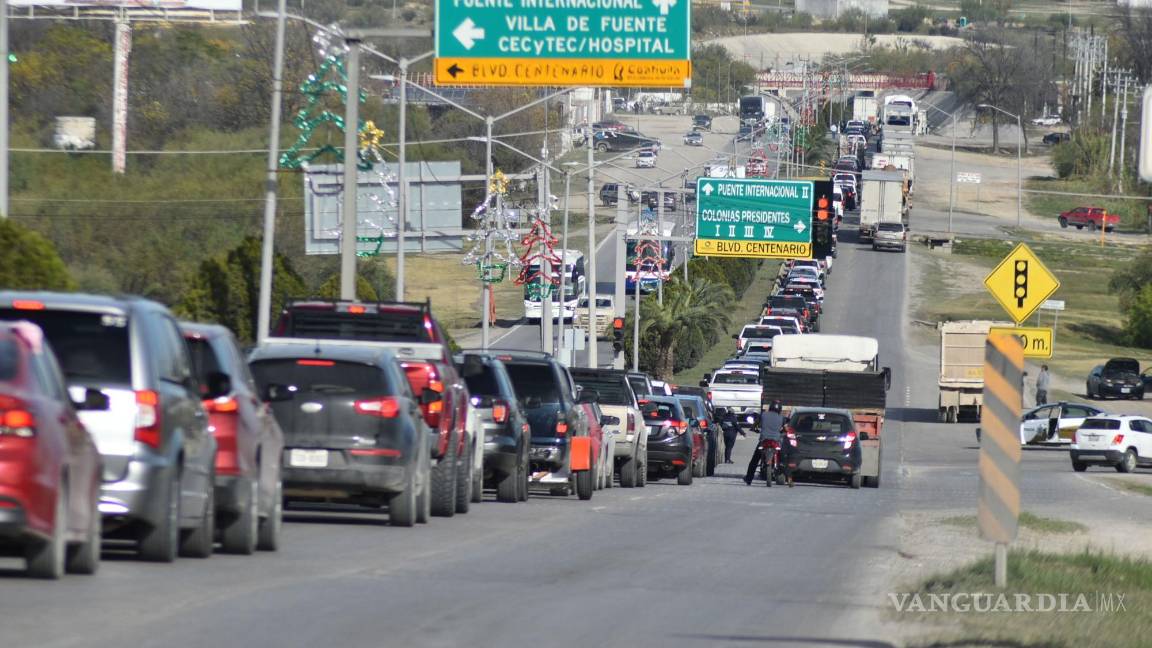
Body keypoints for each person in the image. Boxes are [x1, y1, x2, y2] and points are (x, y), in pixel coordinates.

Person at [745, 400, 785, 485]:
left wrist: (754, 429)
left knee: (755, 460)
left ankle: (749, 478)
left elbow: (754, 425)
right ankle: (782, 473)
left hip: (764, 440)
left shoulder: (763, 415)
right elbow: (785, 428)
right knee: (782, 457)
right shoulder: (782, 418)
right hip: (776, 441)